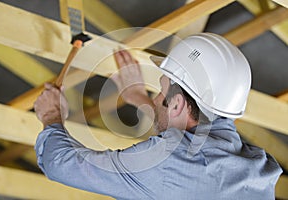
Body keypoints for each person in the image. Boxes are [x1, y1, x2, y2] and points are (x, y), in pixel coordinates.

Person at [34, 33, 282, 200]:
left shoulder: (162, 165)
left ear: (176, 105)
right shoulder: (257, 166)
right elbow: (191, 136)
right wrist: (138, 97)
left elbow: (61, 164)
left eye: (160, 92)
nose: (154, 99)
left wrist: (52, 115)